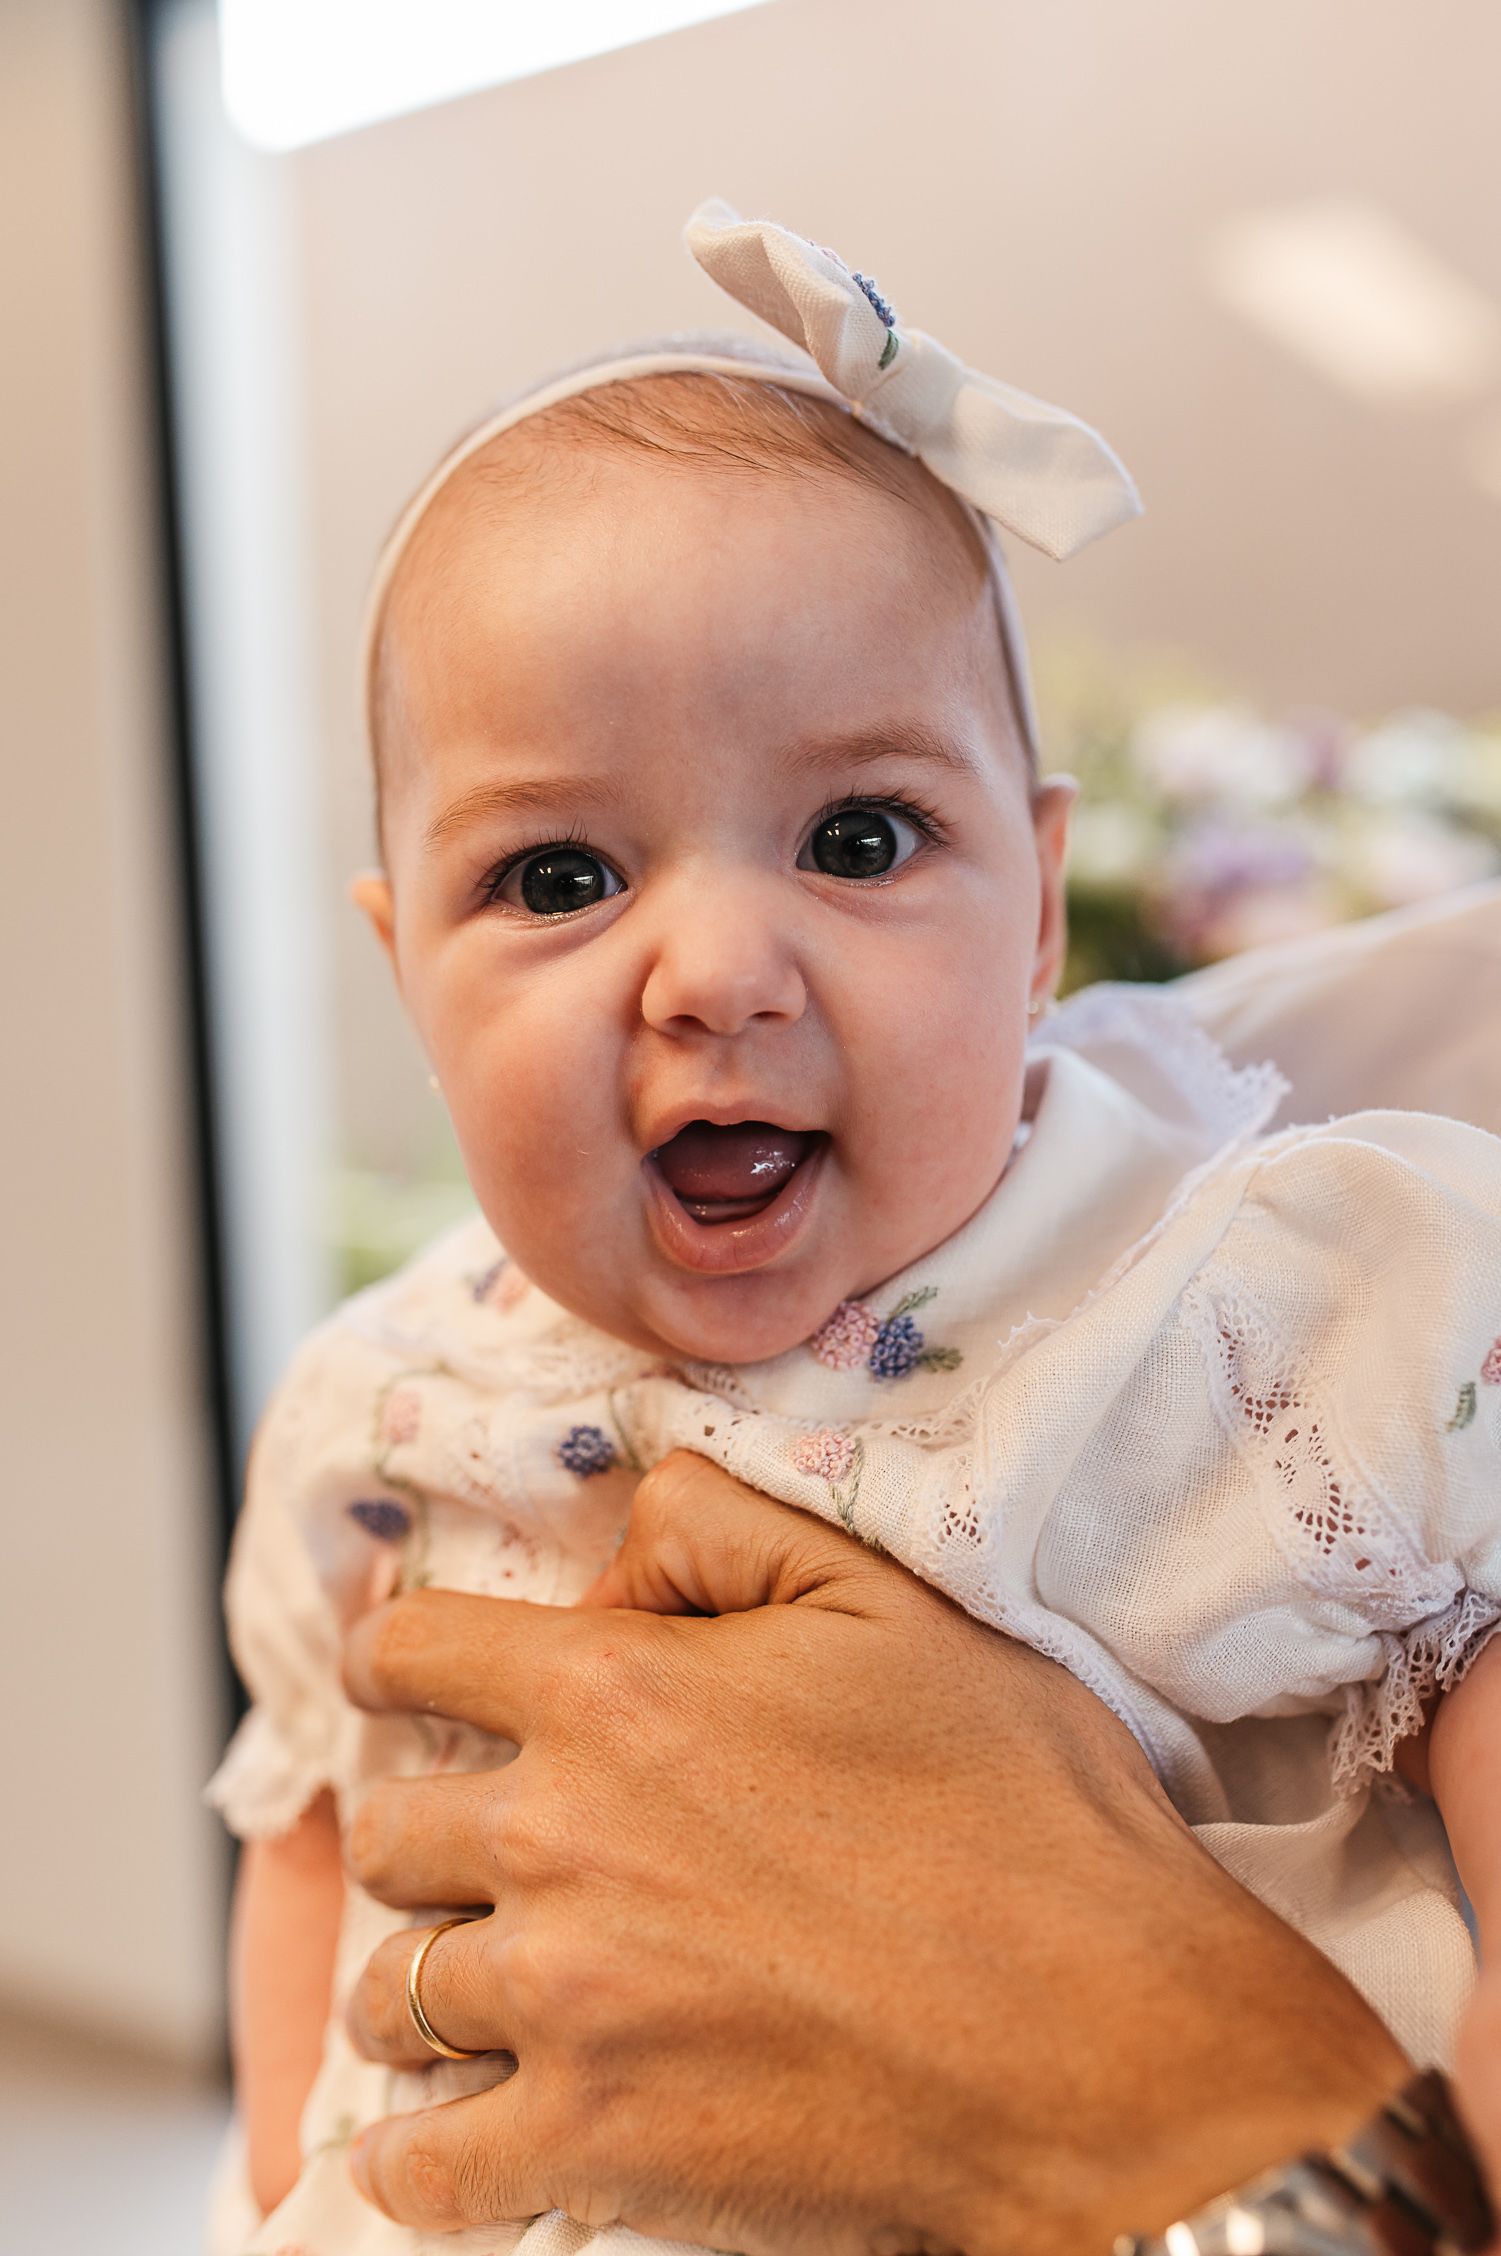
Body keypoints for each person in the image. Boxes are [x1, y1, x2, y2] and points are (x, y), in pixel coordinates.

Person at [208, 202, 1501, 2255]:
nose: (718, 971)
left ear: (1040, 903)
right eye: (557, 878)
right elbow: (313, 1825)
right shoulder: (382, 1408)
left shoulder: (1251, 1311)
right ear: (405, 975)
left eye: (859, 837)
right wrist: (283, 2191)